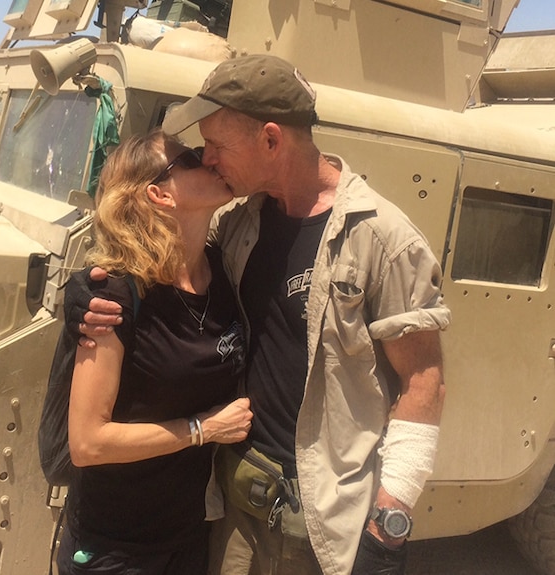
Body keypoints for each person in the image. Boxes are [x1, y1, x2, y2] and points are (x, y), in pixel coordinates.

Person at [69, 55, 450, 575]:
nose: (208, 159)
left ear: (271, 140)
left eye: (217, 146)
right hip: (232, 503)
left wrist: (390, 523)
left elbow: (423, 381)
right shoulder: (240, 225)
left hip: (319, 516)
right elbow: (160, 260)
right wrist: (86, 294)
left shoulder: (381, 239)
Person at [55, 129, 253, 575]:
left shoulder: (222, 272)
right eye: (194, 158)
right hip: (115, 549)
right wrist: (202, 429)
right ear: (159, 194)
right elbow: (87, 443)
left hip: (187, 534)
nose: (211, 161)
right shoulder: (115, 296)